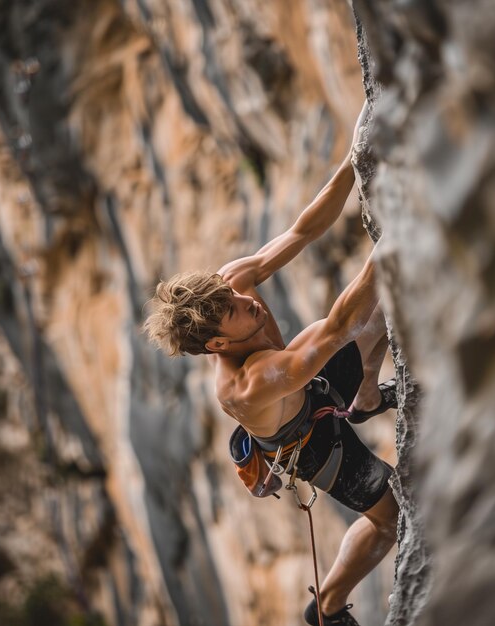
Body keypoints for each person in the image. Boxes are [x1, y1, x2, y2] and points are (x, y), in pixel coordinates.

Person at [144, 105, 398, 626]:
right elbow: (332, 330)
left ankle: (366, 398)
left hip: (316, 385)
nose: (250, 303)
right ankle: (325, 608)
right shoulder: (247, 384)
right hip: (312, 445)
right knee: (392, 519)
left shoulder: (228, 287)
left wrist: (355, 159)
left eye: (236, 295)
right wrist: (392, 243)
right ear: (217, 344)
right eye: (236, 312)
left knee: (384, 310)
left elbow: (303, 231)